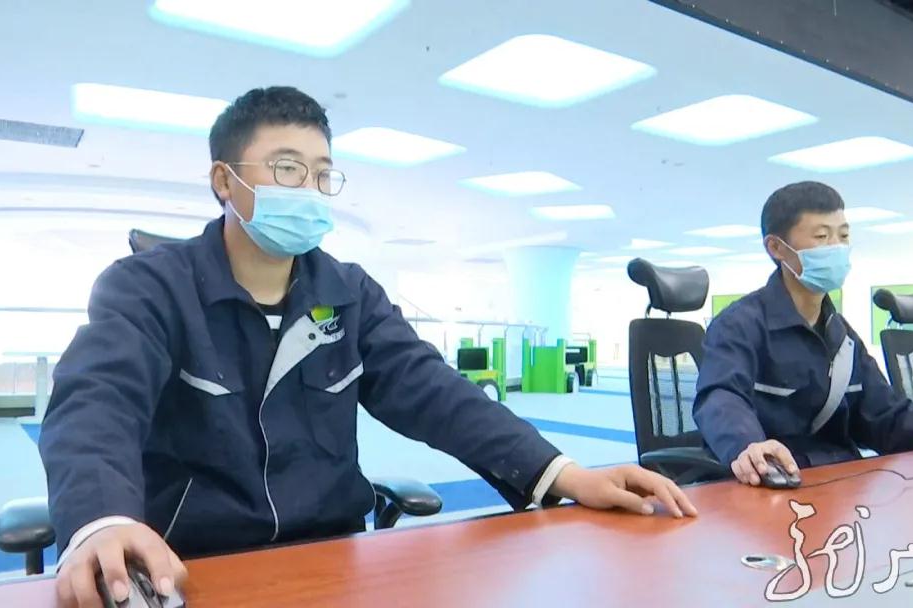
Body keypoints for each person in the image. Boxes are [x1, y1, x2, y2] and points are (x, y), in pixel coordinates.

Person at [39, 86, 697, 608]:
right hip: (193, 565)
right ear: (224, 181)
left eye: (322, 173)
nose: (308, 188)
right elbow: (97, 401)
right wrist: (101, 520)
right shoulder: (151, 288)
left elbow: (435, 392)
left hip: (334, 560)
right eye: (287, 168)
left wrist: (565, 473)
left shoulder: (347, 293)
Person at [692, 181, 913, 487]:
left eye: (843, 236)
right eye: (821, 237)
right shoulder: (739, 324)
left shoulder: (842, 336)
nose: (836, 247)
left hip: (841, 485)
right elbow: (721, 397)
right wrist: (749, 445)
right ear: (777, 248)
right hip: (773, 485)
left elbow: (889, 418)